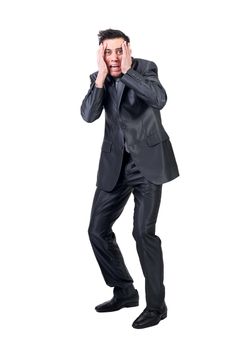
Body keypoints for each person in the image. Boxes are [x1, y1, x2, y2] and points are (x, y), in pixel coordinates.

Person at [80, 29, 179, 329]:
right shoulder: (98, 79)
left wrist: (126, 72)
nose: (113, 57)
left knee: (142, 233)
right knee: (96, 230)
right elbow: (88, 115)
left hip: (148, 164)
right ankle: (124, 290)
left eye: (118, 51)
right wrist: (100, 78)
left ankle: (157, 306)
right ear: (100, 54)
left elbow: (159, 99)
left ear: (128, 49)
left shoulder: (146, 69)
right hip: (116, 167)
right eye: (107, 52)